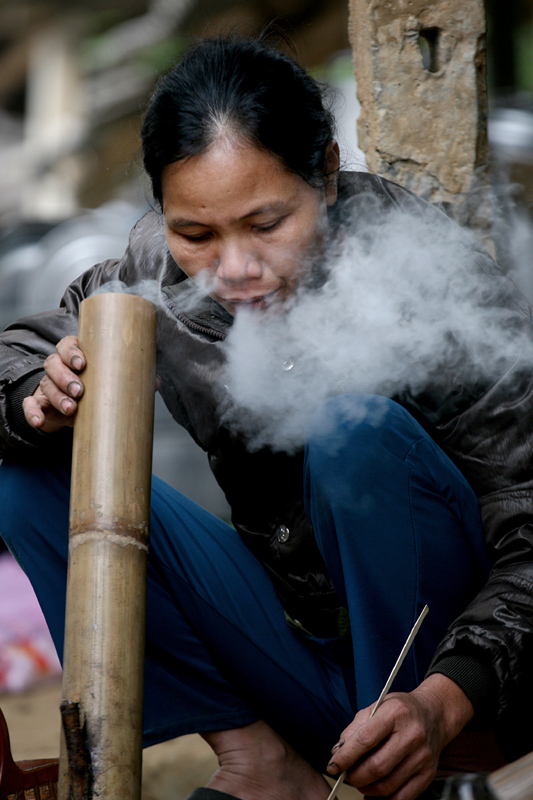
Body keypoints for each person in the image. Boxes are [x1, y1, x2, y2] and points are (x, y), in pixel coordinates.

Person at [0, 34, 532, 800]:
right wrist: (34, 393)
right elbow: (15, 352)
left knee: (355, 433)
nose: (235, 270)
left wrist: (446, 697)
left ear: (325, 175)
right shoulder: (155, 275)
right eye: (196, 235)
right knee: (30, 483)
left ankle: (430, 769)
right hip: (305, 671)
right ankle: (261, 762)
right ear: (164, 214)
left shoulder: (425, 277)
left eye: (267, 223)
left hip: (454, 696)